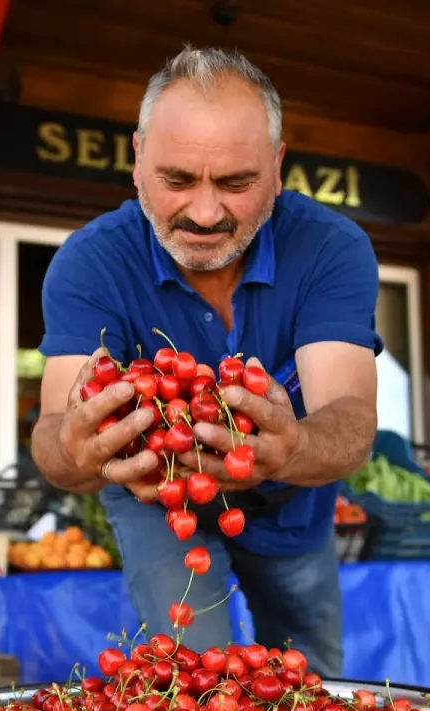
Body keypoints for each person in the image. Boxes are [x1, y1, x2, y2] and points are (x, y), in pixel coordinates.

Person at [31, 46, 382, 678]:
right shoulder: (90, 264)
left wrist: (295, 447)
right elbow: (53, 434)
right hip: (155, 502)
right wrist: (75, 448)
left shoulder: (330, 248)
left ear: (277, 168)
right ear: (138, 160)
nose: (204, 212)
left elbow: (350, 415)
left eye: (236, 183)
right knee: (196, 679)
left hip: (295, 505)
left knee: (314, 685)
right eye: (176, 180)